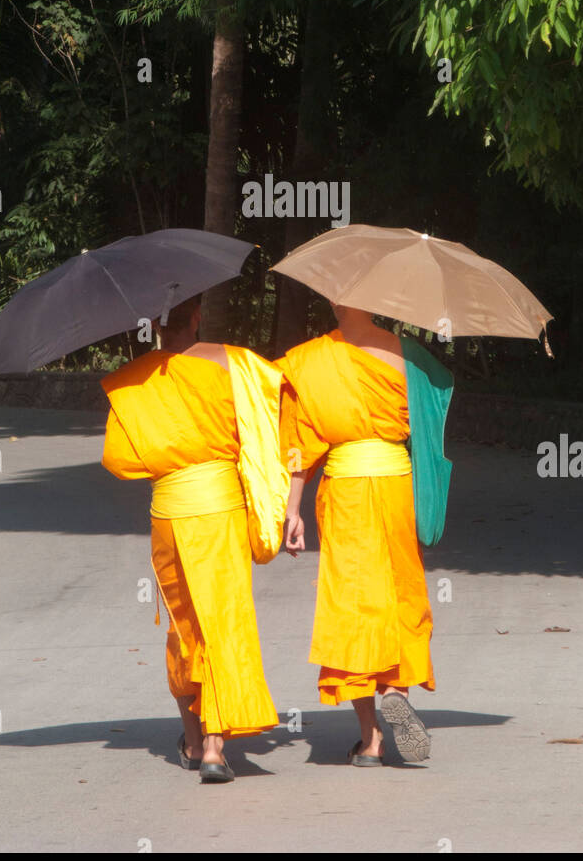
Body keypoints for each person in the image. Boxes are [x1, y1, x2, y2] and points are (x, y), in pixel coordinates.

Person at [101, 294, 287, 783]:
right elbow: (271, 420)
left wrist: (169, 460)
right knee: (221, 619)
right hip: (221, 510)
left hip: (169, 511)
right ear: (198, 315)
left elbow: (118, 460)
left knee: (184, 626)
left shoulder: (135, 380)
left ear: (155, 325)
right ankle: (212, 747)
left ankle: (189, 735)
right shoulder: (238, 364)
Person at [278, 302, 443, 766]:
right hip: (396, 486)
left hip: (347, 489)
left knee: (353, 603)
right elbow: (431, 428)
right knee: (399, 595)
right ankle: (396, 687)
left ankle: (370, 739)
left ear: (333, 300)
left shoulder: (309, 361)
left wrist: (292, 510)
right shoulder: (409, 357)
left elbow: (299, 444)